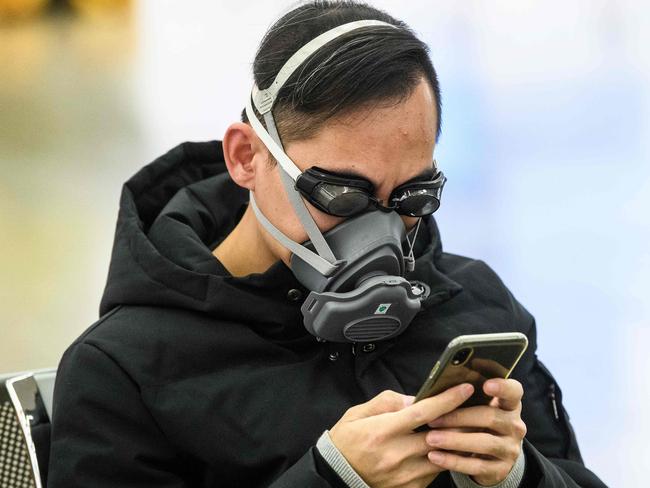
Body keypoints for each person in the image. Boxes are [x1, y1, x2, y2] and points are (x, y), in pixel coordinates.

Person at [47, 1, 607, 487]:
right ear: (247, 157)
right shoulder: (125, 369)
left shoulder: (476, 307)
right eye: (341, 192)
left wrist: (521, 474)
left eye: (412, 195)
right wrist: (332, 479)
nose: (381, 230)